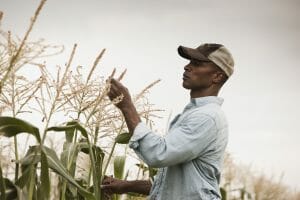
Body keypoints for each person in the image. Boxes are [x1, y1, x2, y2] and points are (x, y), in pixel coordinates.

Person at [103, 43, 234, 200]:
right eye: (189, 62)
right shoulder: (195, 114)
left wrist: (127, 107)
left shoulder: (206, 118)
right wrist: (125, 186)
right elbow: (171, 186)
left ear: (217, 76)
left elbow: (158, 154)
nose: (187, 67)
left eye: (197, 64)